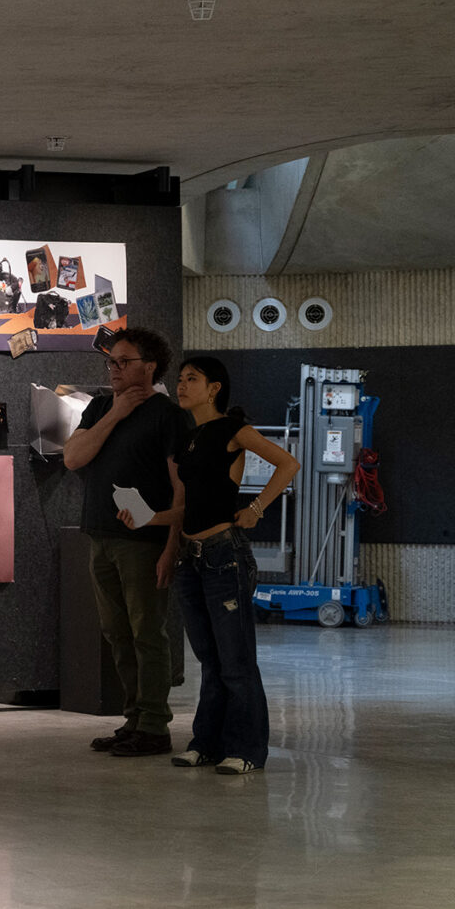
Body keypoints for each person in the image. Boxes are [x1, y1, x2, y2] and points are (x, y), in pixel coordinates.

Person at [165, 354, 298, 775]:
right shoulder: (187, 439)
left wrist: (257, 507)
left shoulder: (232, 430)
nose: (182, 385)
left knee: (236, 661)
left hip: (225, 556)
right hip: (191, 558)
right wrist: (166, 545)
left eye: (192, 379)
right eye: (180, 379)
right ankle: (206, 742)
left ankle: (246, 749)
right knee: (208, 659)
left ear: (214, 388)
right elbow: (182, 503)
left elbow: (287, 463)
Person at [60, 325, 183, 755]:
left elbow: (180, 487)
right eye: (110, 361)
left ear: (149, 367)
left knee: (147, 632)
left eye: (123, 361)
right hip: (101, 535)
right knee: (116, 632)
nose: (113, 369)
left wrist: (172, 545)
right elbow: (73, 458)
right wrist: (116, 412)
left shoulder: (169, 416)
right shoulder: (98, 408)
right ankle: (134, 719)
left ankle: (154, 724)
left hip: (144, 542)